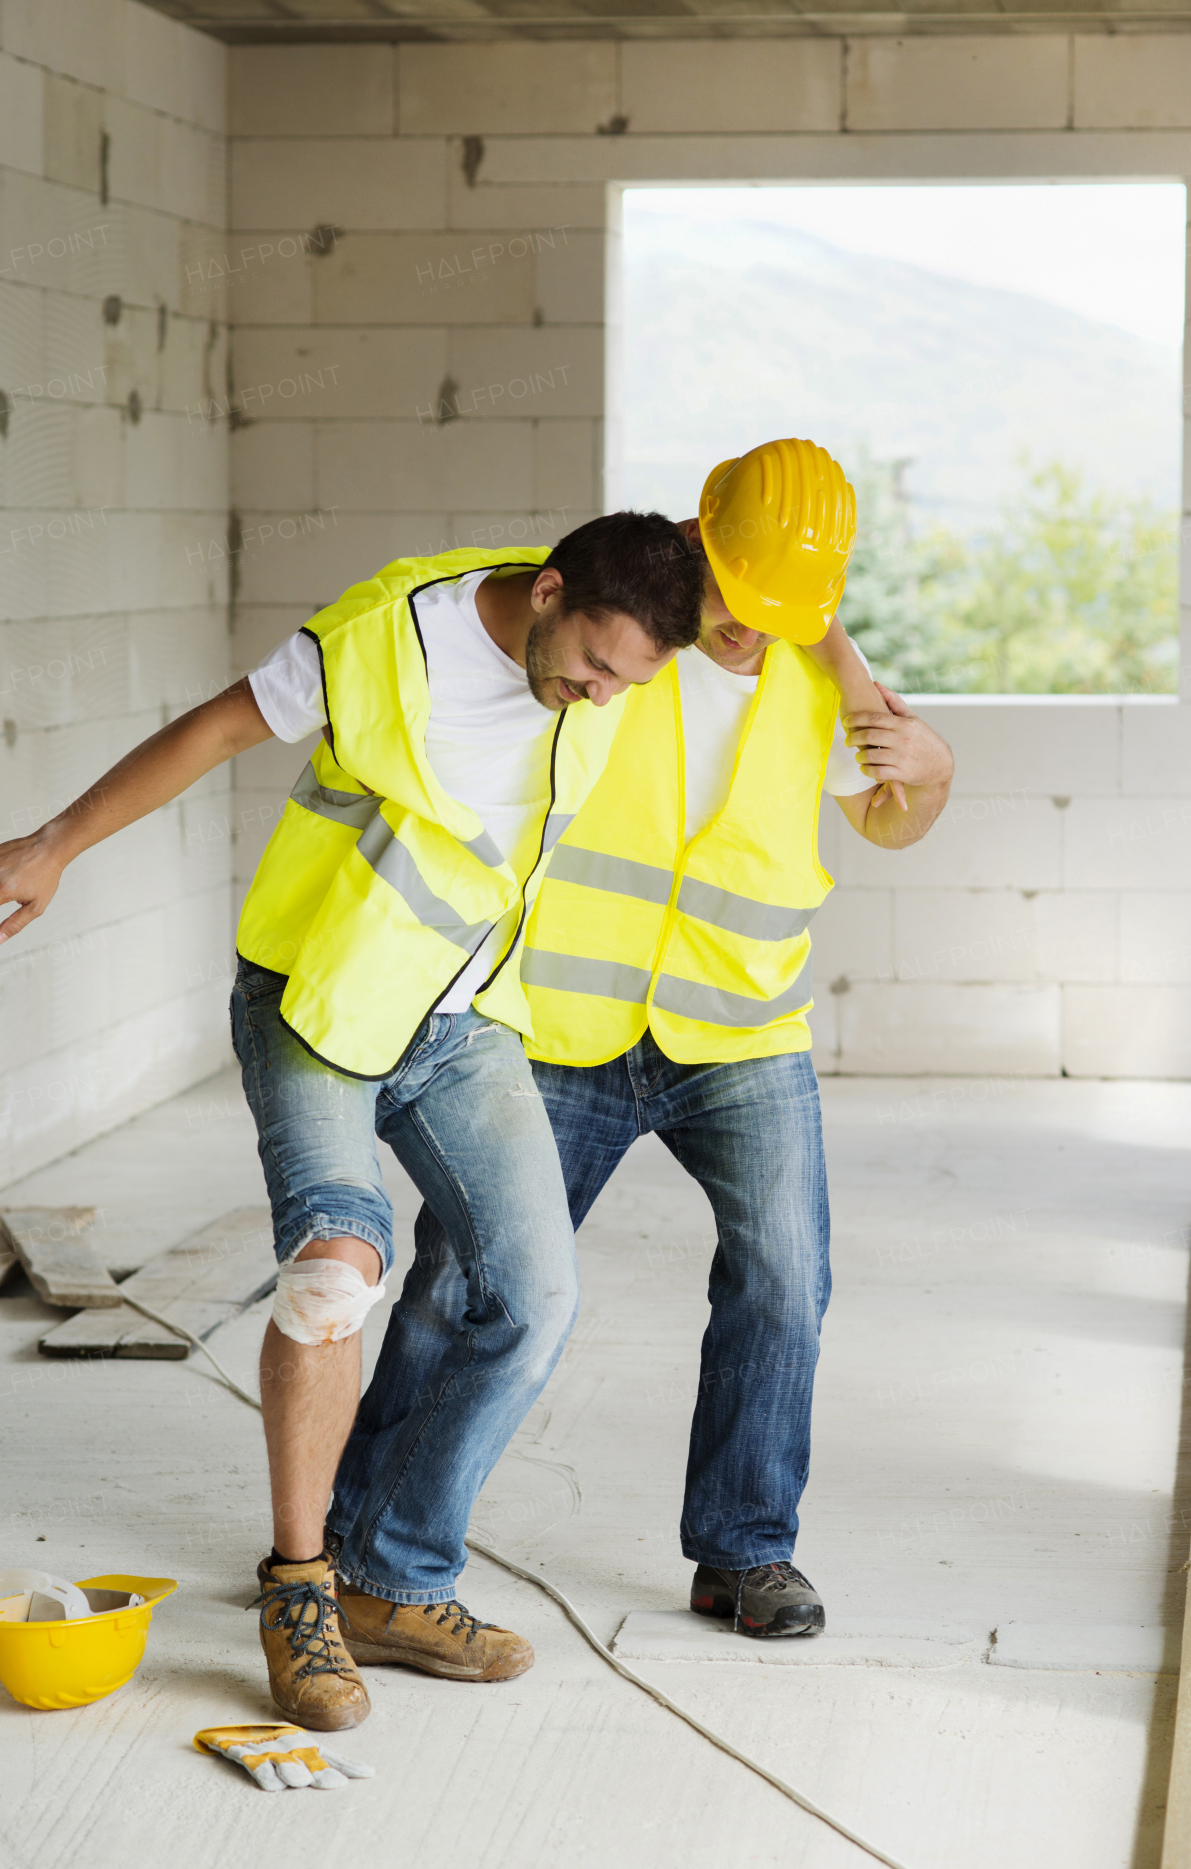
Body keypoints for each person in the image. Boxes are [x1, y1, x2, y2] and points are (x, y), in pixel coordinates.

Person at [0, 514, 705, 1727]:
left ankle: (391, 1575)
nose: (597, 699)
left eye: (623, 686)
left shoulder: (602, 639)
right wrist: (54, 845)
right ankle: (300, 1591)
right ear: (547, 593)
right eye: (593, 667)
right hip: (315, 997)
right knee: (334, 1277)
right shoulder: (384, 641)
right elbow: (218, 725)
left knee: (535, 1298)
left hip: (461, 1015)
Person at [518, 440, 956, 1637]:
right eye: (737, 598)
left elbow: (890, 821)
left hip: (741, 1030)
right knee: (477, 1281)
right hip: (569, 1025)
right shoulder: (618, 641)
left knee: (783, 1276)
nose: (747, 632)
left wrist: (934, 770)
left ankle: (743, 1553)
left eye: (784, 614)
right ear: (695, 536)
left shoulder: (818, 678)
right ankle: (367, 1531)